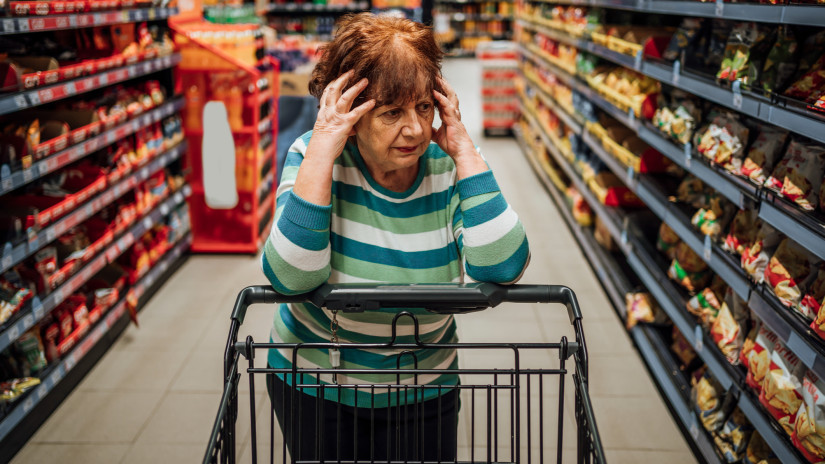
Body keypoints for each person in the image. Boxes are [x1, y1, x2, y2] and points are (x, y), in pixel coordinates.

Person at [260, 12, 530, 462]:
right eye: (391, 113)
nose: (417, 130)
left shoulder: (452, 164)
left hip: (424, 390)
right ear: (349, 112)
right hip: (315, 385)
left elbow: (502, 265)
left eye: (424, 107)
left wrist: (463, 148)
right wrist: (325, 144)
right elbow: (290, 276)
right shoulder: (314, 155)